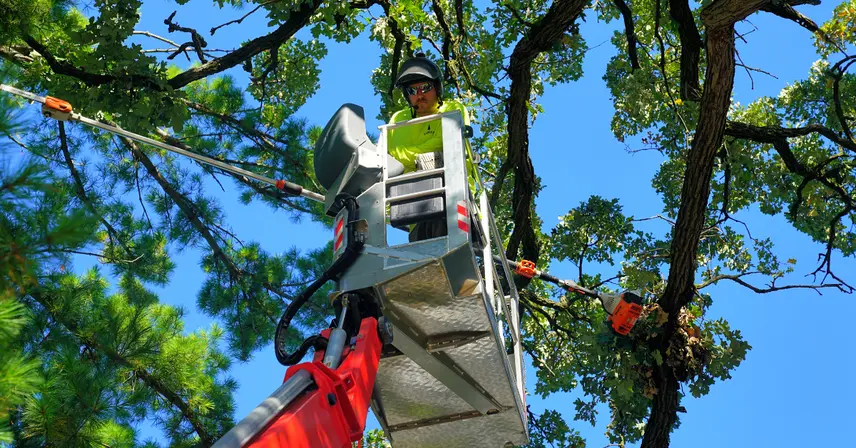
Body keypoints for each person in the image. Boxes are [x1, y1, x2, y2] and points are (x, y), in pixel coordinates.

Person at [387, 55, 474, 242]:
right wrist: (418, 155)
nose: (419, 94)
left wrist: (410, 157)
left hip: (453, 197)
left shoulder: (452, 108)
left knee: (435, 160)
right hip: (414, 208)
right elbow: (390, 157)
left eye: (425, 87)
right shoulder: (398, 119)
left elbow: (448, 142)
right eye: (412, 90)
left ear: (437, 87)